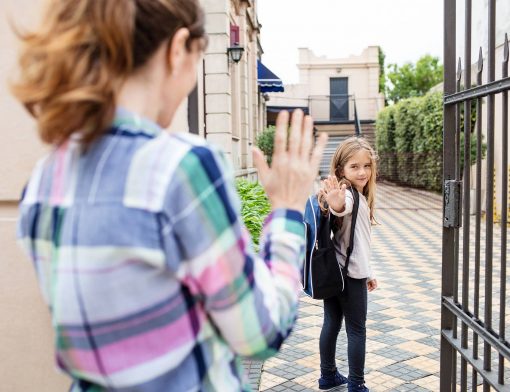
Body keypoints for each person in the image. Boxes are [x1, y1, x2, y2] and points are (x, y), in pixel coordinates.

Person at [11, 1, 327, 391]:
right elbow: (260, 332)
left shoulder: (45, 179)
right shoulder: (182, 167)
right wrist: (287, 211)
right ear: (178, 49)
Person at [316, 137, 378, 392]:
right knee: (357, 330)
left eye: (367, 165)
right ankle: (356, 384)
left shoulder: (358, 195)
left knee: (332, 323)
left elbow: (357, 241)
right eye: (354, 166)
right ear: (341, 170)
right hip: (350, 277)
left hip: (336, 272)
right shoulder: (349, 196)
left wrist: (369, 272)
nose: (362, 172)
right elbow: (342, 207)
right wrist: (336, 202)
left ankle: (328, 376)